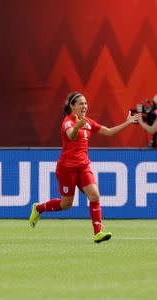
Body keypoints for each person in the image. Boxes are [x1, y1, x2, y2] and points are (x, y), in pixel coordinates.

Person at [28, 92, 141, 243]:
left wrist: (127, 123)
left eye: (86, 103)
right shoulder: (68, 122)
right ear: (72, 106)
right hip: (67, 168)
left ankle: (98, 233)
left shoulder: (88, 122)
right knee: (65, 204)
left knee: (94, 195)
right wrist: (77, 127)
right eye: (81, 103)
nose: (84, 106)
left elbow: (108, 132)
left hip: (83, 167)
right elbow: (71, 136)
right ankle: (38, 208)